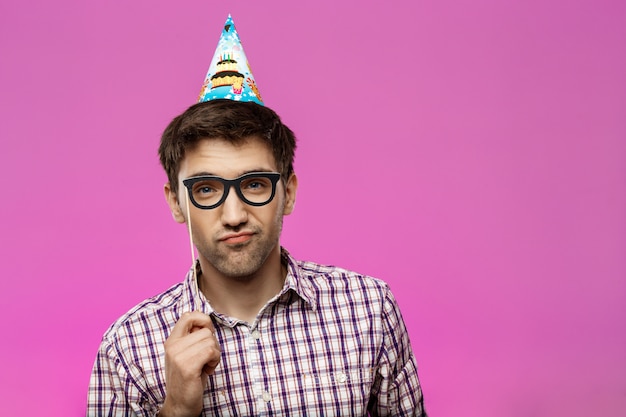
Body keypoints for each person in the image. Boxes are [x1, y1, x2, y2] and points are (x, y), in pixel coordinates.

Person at [87, 16, 426, 417]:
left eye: (254, 184)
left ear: (288, 193)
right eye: (206, 189)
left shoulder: (369, 309)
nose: (233, 215)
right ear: (177, 203)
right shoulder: (127, 349)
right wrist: (176, 407)